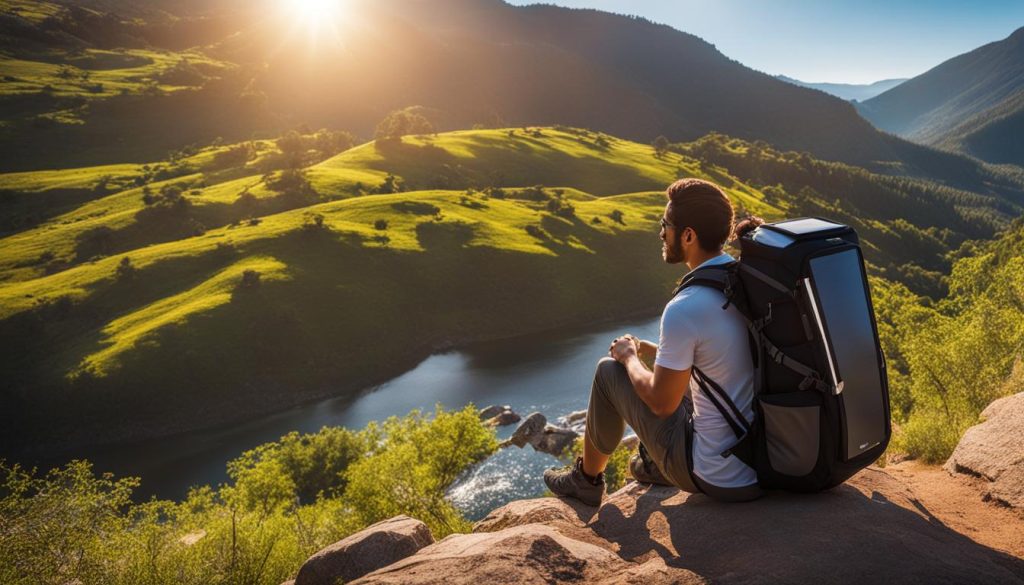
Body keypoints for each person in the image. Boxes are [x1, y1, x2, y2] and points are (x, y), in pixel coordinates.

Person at [544, 178, 764, 505]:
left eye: (666, 225)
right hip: (762, 459)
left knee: (608, 372)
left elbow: (662, 403)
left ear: (688, 235)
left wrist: (630, 357)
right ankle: (652, 465)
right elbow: (719, 359)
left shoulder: (686, 307)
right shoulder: (745, 281)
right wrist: (654, 351)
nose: (661, 233)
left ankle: (587, 481)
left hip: (719, 474)